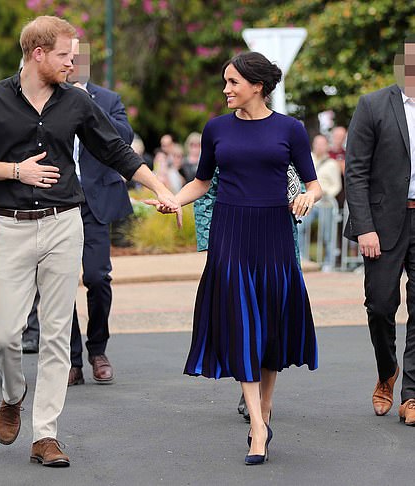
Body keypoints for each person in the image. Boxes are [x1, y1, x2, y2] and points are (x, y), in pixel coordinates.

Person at [0, 15, 178, 467]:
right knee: (4, 335)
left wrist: (161, 189)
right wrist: (17, 171)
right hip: (12, 226)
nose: (72, 62)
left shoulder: (75, 102)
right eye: (63, 55)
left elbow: (116, 150)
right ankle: (12, 395)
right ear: (38, 54)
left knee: (56, 336)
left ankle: (46, 435)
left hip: (63, 223)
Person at [148, 51, 321, 465]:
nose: (225, 90)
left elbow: (314, 185)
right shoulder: (215, 129)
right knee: (242, 321)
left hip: (274, 235)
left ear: (256, 86)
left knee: (271, 325)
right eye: (225, 82)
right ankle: (258, 427)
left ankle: (264, 407)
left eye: (233, 83)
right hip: (231, 235)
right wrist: (174, 200)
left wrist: (305, 197)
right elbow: (202, 182)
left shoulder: (290, 129)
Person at [344, 35, 415, 426]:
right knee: (381, 306)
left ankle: (412, 394)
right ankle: (387, 372)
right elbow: (354, 171)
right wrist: (365, 228)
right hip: (383, 224)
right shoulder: (374, 105)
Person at [66, 37, 135, 386]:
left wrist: (87, 102)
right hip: (59, 203)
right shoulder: (49, 98)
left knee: (96, 278)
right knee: (60, 286)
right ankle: (72, 360)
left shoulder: (107, 100)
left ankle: (97, 350)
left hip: (95, 206)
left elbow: (123, 137)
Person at [298, 134, 342, 268]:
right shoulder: (308, 158)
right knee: (300, 227)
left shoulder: (332, 164)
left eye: (322, 144)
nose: (319, 146)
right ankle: (302, 258)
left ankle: (329, 262)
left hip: (326, 204)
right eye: (317, 143)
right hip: (309, 202)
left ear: (327, 146)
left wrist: (327, 194)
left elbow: (337, 185)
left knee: (327, 233)